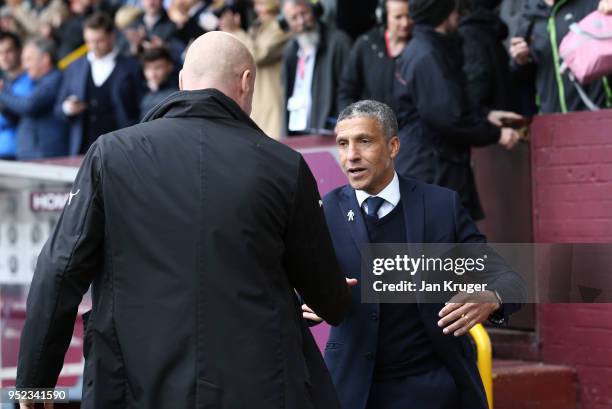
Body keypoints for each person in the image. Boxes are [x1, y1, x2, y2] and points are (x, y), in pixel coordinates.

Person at [16, 31, 351, 409]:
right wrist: (337, 296)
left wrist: (33, 384)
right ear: (245, 82)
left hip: (133, 387)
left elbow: (60, 271)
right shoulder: (284, 166)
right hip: (257, 388)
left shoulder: (110, 154)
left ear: (180, 82)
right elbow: (328, 299)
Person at [303, 100, 525, 409]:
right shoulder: (324, 213)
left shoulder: (440, 206)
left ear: (393, 146)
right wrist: (306, 303)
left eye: (364, 141)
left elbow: (510, 279)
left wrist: (492, 297)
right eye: (343, 144)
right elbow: (295, 291)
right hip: (352, 391)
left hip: (433, 389)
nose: (351, 155)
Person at [394, 0, 521, 221]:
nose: (457, 15)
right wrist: (496, 135)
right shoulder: (428, 55)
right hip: (433, 170)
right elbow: (448, 117)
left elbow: (449, 102)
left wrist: (486, 115)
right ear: (442, 15)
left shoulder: (428, 49)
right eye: (452, 9)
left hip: (434, 167)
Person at [55, 12, 144, 156]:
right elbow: (58, 108)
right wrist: (68, 108)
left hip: (121, 148)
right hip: (82, 150)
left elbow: (141, 106)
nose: (93, 46)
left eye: (99, 40)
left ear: (112, 37)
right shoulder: (75, 67)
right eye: (89, 41)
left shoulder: (131, 66)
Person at [509, 0, 612, 114]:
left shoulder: (593, 3)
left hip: (598, 110)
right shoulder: (529, 14)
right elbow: (521, 76)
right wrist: (521, 60)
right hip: (552, 116)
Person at [281, 0, 351, 136]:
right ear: (286, 23)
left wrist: (345, 123)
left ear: (314, 11)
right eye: (294, 18)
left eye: (304, 13)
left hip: (329, 132)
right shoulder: (290, 50)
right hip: (297, 134)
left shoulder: (338, 43)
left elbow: (349, 90)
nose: (301, 22)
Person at [224, 0, 291, 139]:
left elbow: (257, 54)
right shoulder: (255, 27)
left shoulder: (282, 26)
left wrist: (235, 31)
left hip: (272, 101)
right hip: (254, 100)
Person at [338, 0, 412, 112]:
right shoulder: (366, 44)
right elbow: (347, 91)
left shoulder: (420, 47)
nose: (405, 23)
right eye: (398, 17)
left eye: (409, 16)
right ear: (383, 16)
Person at [0, 37, 66, 160]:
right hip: (30, 154)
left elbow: (30, 106)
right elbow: (19, 114)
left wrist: (2, 93)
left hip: (45, 155)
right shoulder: (37, 81)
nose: (25, 65)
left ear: (45, 59)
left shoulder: (55, 78)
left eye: (29, 59)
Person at [459, 0, 515, 113]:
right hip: (501, 114)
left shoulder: (469, 34)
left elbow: (477, 85)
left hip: (487, 121)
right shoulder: (489, 32)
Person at [0, 31, 31, 160]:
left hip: (18, 155)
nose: (4, 57)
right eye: (0, 53)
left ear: (19, 51)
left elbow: (21, 115)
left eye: (8, 51)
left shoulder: (31, 80)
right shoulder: (4, 82)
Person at [139, 46, 177, 118]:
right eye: (148, 68)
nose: (153, 74)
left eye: (158, 67)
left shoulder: (176, 94)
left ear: (170, 66)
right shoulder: (144, 92)